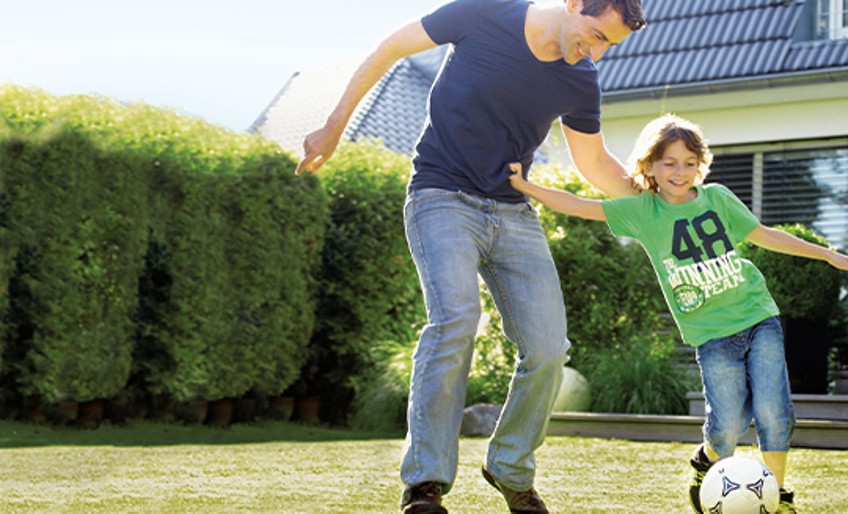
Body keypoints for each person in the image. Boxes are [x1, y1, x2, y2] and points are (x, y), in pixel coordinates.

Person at [295, 0, 647, 512]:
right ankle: (425, 483)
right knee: (456, 318)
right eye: (594, 34)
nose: (593, 51)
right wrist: (334, 125)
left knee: (548, 348)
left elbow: (593, 161)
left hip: (513, 213)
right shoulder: (486, 13)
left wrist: (658, 197)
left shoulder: (580, 79)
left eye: (606, 46)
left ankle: (509, 467)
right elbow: (390, 47)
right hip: (440, 195)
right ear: (573, 3)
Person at [508, 113, 848, 514]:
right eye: (669, 162)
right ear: (649, 165)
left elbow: (763, 235)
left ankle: (778, 491)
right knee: (727, 428)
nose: (680, 171)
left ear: (700, 165)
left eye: (689, 162)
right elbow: (582, 206)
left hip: (757, 316)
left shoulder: (718, 198)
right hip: (710, 333)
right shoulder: (643, 212)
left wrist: (827, 254)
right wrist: (524, 186)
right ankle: (709, 460)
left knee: (774, 410)